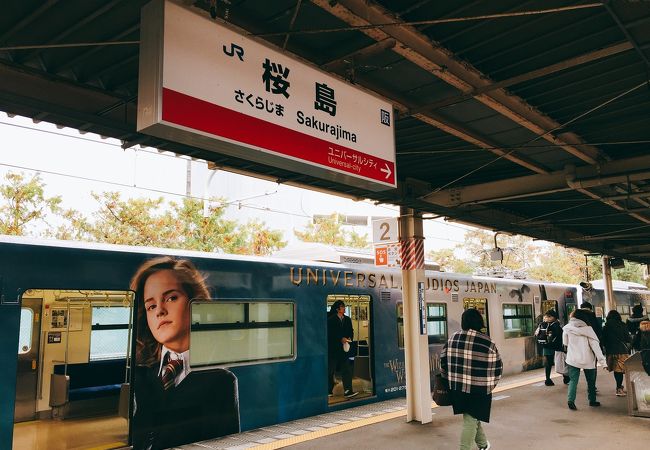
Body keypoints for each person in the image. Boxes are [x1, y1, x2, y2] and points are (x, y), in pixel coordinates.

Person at [131, 256, 240, 450]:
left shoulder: (221, 381)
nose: (160, 311)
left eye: (171, 298)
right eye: (151, 306)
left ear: (195, 303)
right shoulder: (137, 374)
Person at [441, 308, 502, 450]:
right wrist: (489, 385)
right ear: (480, 322)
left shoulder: (452, 339)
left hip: (457, 388)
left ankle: (483, 445)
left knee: (472, 416)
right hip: (479, 390)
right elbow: (498, 367)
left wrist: (449, 381)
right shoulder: (487, 342)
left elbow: (443, 364)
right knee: (471, 419)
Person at [563, 308, 607, 410]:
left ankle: (571, 400)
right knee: (591, 382)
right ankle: (592, 400)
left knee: (573, 380)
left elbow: (565, 344)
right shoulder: (589, 330)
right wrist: (603, 363)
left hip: (572, 359)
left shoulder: (566, 328)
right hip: (588, 360)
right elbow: (596, 348)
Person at [327, 300, 358, 398]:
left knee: (347, 370)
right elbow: (330, 334)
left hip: (344, 349)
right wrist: (340, 339)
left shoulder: (348, 319)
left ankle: (348, 391)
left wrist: (349, 338)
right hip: (333, 350)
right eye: (342, 307)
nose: (344, 308)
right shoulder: (330, 320)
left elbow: (351, 331)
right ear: (338, 309)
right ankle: (328, 391)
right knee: (330, 371)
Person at [602, 310, 631, 396]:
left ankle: (619, 387)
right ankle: (619, 388)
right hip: (622, 350)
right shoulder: (622, 325)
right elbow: (627, 338)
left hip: (611, 351)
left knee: (616, 370)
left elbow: (603, 340)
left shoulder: (606, 327)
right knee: (621, 370)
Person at [535, 310, 563, 386]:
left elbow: (536, 334)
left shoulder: (542, 325)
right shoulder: (556, 325)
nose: (547, 318)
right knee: (560, 362)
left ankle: (548, 379)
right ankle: (566, 377)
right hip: (556, 347)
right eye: (547, 316)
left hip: (546, 346)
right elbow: (559, 335)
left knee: (549, 363)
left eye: (548, 316)